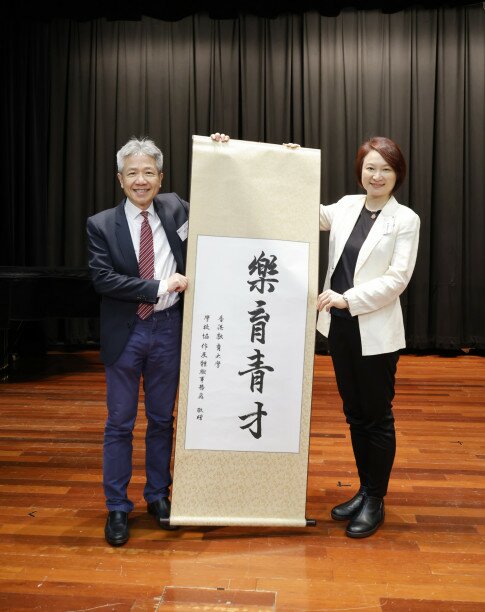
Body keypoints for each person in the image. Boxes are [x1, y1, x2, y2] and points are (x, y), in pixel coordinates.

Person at [86, 136, 191, 546]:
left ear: (161, 178)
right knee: (120, 423)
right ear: (120, 179)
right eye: (133, 173)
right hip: (126, 333)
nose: (141, 180)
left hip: (168, 330)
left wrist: (219, 150)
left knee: (163, 421)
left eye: (149, 172)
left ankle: (157, 497)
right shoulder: (100, 225)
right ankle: (117, 507)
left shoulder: (178, 207)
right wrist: (159, 285)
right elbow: (103, 280)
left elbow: (220, 206)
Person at [316, 136, 420, 538]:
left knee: (376, 416)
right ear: (360, 170)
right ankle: (364, 489)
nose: (376, 176)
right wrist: (285, 159)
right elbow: (296, 205)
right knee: (354, 413)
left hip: (374, 330)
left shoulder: (405, 219)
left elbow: (397, 279)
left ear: (397, 175)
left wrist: (346, 298)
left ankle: (376, 500)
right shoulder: (344, 206)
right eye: (370, 167)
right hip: (340, 328)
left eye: (385, 169)